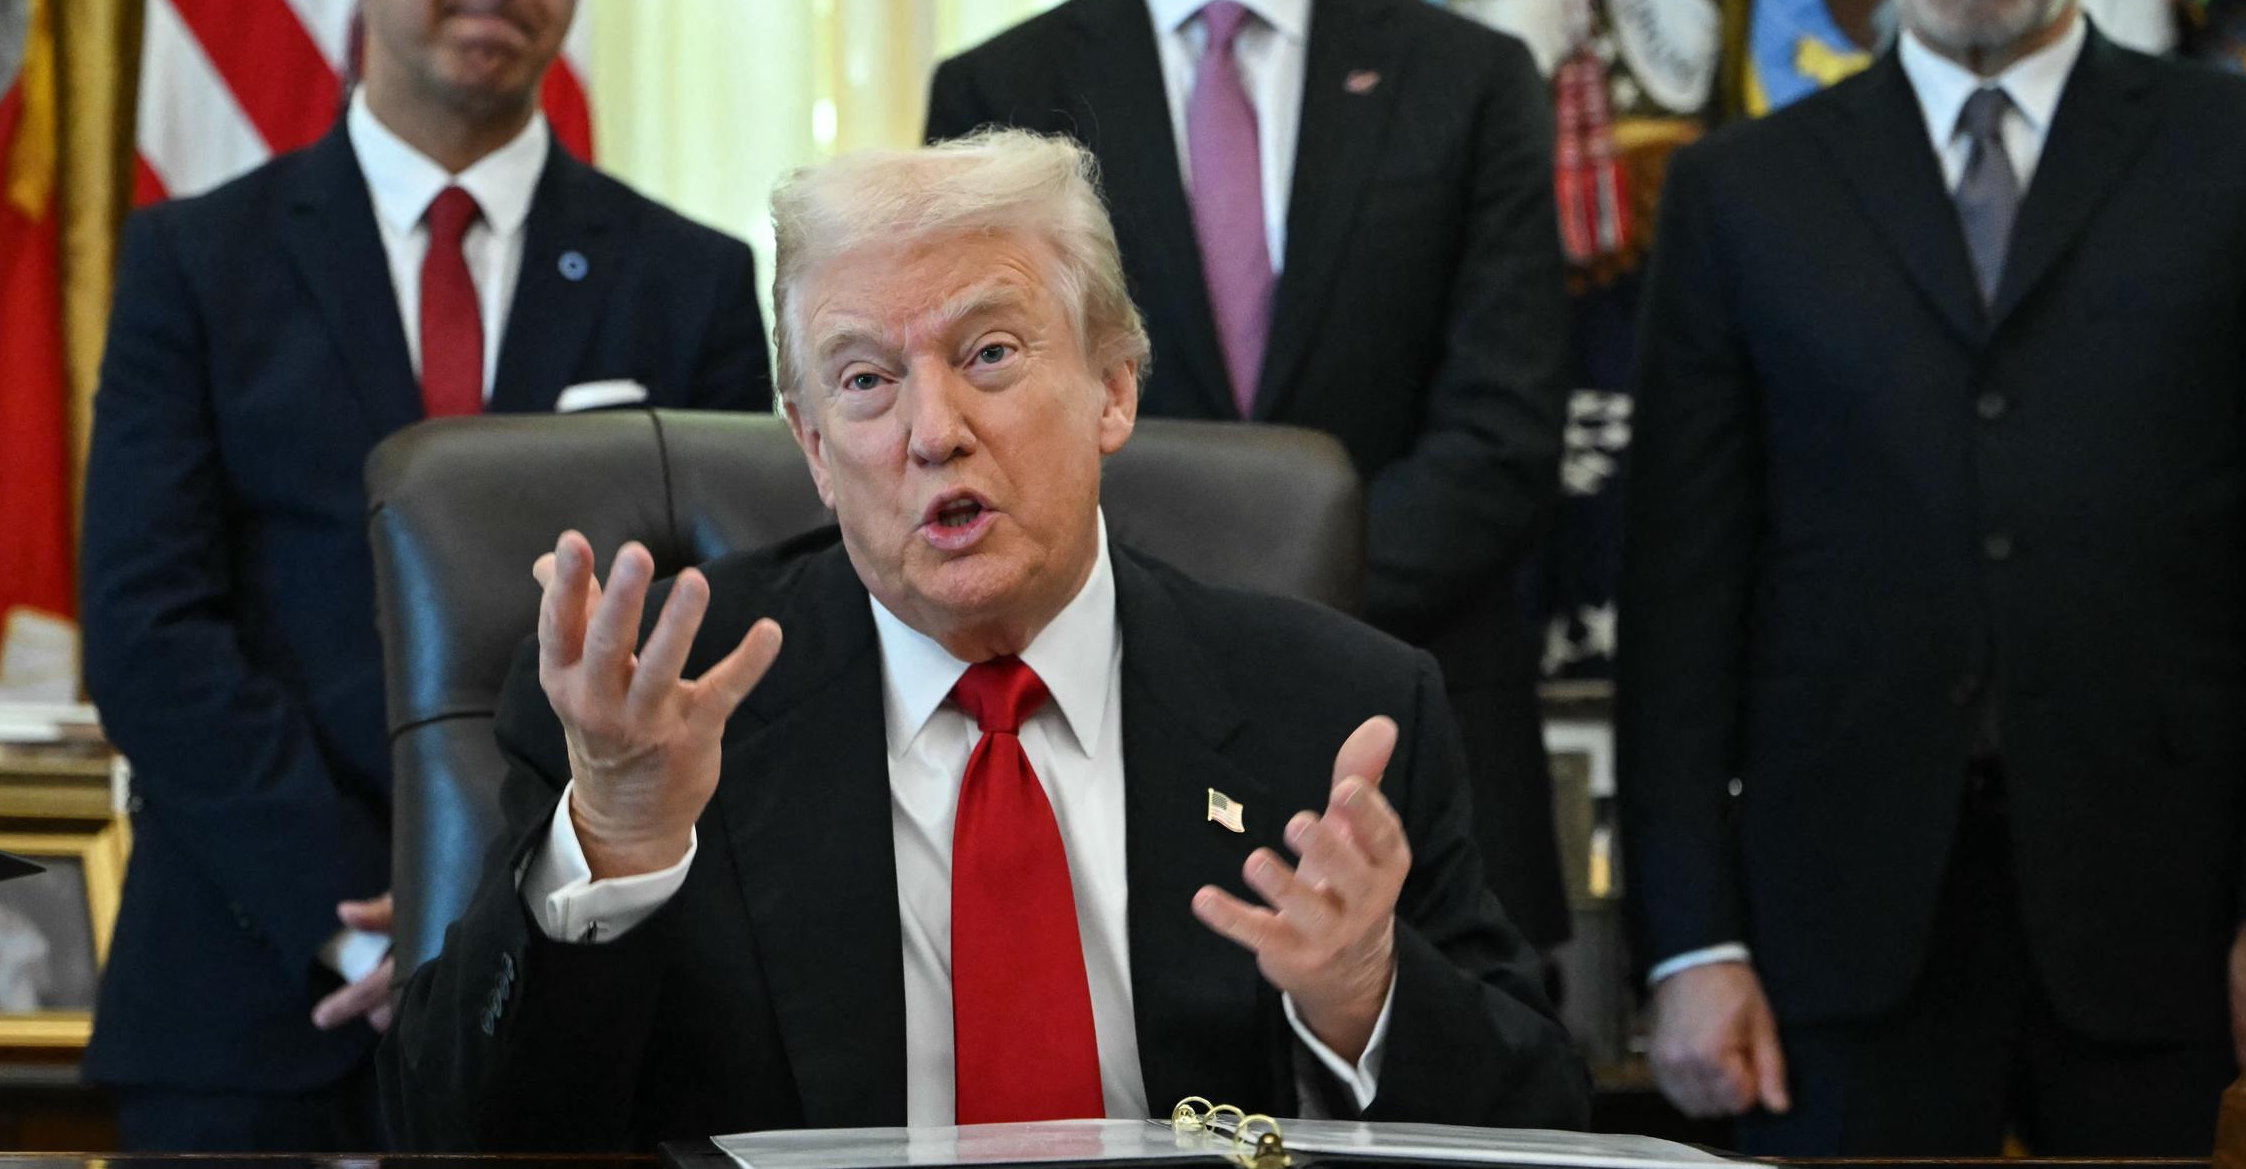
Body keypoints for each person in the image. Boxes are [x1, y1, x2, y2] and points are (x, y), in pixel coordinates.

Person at [378, 129, 1590, 1148]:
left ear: (1114, 385)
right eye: (864, 380)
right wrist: (619, 846)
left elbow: (1547, 1128)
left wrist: (1362, 998)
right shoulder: (664, 714)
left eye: (990, 353)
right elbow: (459, 1134)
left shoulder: (1338, 716)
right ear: (809, 443)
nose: (932, 429)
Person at [1619, 0, 2246, 1157]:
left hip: (2184, 926)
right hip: (1835, 940)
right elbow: (1680, 597)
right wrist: (1688, 942)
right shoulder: (1742, 197)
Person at [80, 0, 774, 1150]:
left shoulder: (691, 282)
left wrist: (506, 900)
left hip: (582, 1001)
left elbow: (730, 634)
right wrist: (365, 907)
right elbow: (151, 630)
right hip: (249, 998)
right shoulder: (195, 266)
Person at [926, 0, 1570, 953]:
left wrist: (1260, 634)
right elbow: (985, 431)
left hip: (1418, 732)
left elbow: (1499, 440)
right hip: (1103, 741)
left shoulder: (1475, 84)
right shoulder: (1001, 97)